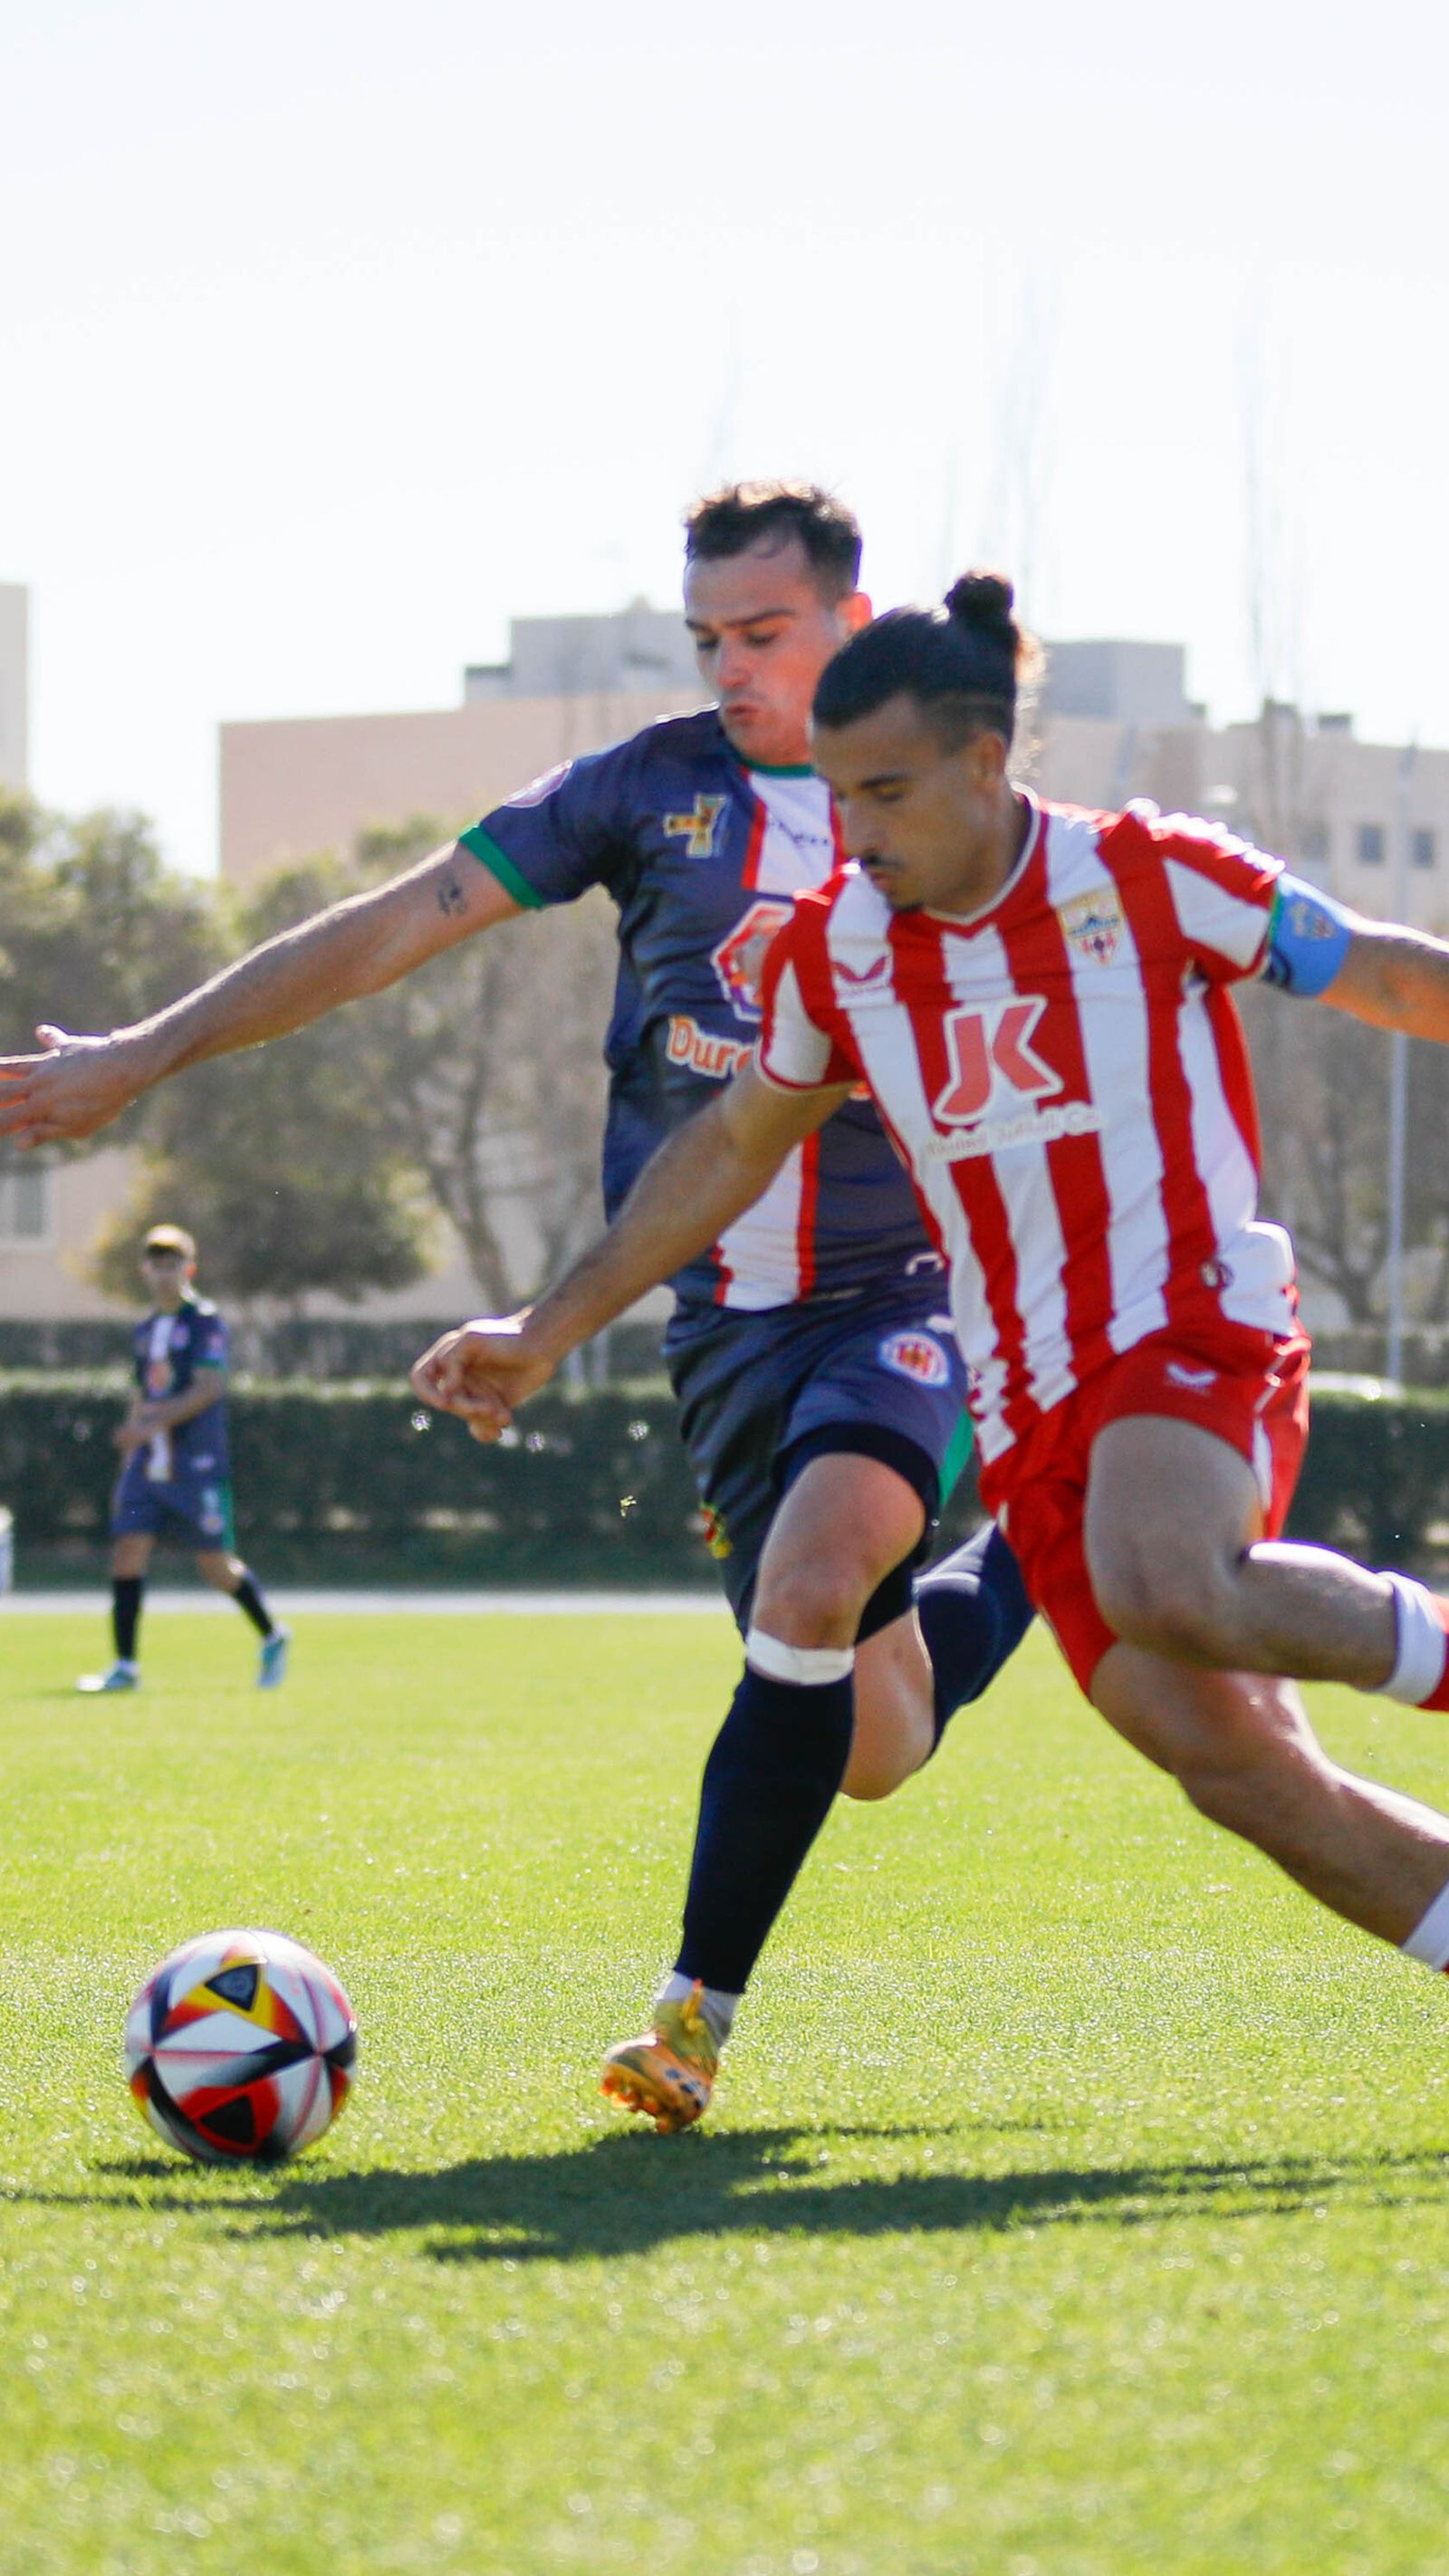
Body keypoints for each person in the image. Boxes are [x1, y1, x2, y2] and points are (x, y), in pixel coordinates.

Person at [0, 487, 1032, 2109]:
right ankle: (1050, 1526)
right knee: (878, 1742)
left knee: (825, 1567)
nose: (734, 666)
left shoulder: (937, 810)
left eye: (765, 633)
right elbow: (394, 928)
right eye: (709, 638)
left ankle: (690, 2014)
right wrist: (146, 1050)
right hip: (720, 1323)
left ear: (852, 620)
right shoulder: (646, 789)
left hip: (918, 1285)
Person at [413, 570, 1449, 2130]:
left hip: (1191, 1324)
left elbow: (1379, 967)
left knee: (1172, 1576)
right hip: (1026, 1396)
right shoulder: (838, 951)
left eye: (886, 792)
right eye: (837, 796)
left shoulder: (1155, 875)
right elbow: (732, 1144)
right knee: (1224, 1755)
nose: (857, 830)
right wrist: (549, 1325)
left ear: (987, 760)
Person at [78, 1222, 290, 1692]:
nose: (163, 1274)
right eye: (155, 1265)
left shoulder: (204, 1322)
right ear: (144, 1271)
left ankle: (272, 1635)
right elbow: (141, 1393)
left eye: (172, 1264)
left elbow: (208, 1388)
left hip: (196, 1465)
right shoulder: (146, 1329)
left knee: (215, 1566)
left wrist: (151, 1425)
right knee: (127, 1553)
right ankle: (125, 1666)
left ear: (188, 1269)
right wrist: (131, 1452)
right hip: (147, 1467)